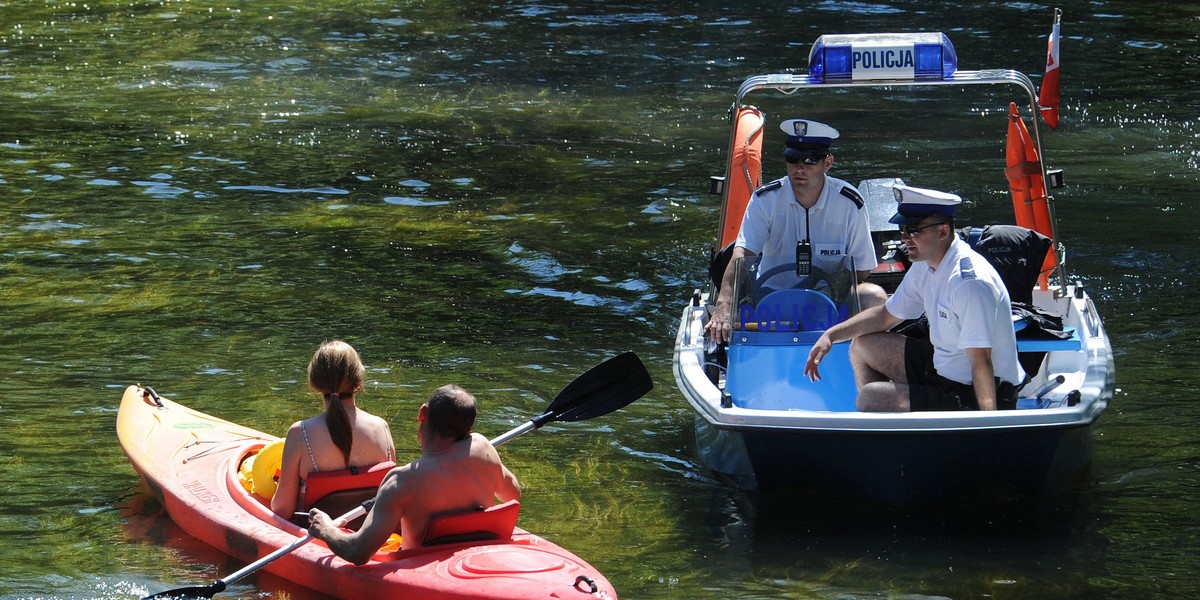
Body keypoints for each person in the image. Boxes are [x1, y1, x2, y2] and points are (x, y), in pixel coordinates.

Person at [803, 184, 1025, 412]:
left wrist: (988, 426)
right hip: (943, 370)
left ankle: (896, 428)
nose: (905, 238)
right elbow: (885, 316)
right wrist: (831, 335)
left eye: (914, 230)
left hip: (975, 392)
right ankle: (898, 428)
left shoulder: (969, 283)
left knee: (871, 398)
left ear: (942, 232)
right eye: (903, 230)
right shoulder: (926, 263)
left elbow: (981, 361)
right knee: (863, 345)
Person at [705, 118, 886, 344]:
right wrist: (724, 304)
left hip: (832, 297)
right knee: (734, 316)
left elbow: (862, 268)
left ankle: (865, 364)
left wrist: (825, 292)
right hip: (772, 298)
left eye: (810, 160)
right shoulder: (765, 200)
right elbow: (743, 253)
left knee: (874, 297)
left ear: (827, 163)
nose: (800, 168)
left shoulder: (850, 203)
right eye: (792, 159)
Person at [308, 384, 521, 564]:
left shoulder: (401, 481)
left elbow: (358, 552)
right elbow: (512, 495)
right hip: (475, 559)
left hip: (420, 569)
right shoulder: (484, 449)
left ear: (422, 413)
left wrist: (326, 529)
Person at [270, 340, 396, 518]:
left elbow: (282, 509)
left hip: (317, 535)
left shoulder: (300, 434)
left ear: (315, 382)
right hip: (368, 536)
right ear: (359, 380)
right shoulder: (381, 428)